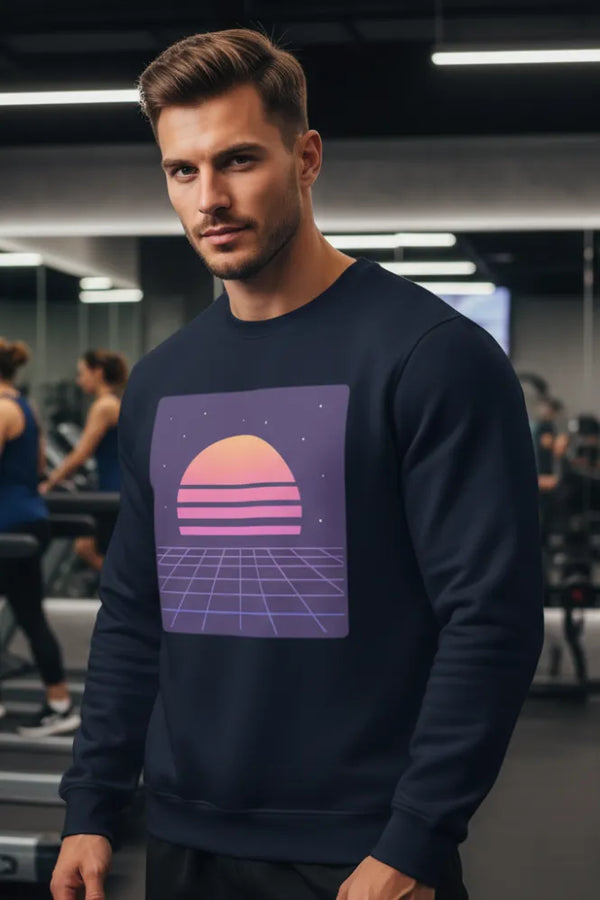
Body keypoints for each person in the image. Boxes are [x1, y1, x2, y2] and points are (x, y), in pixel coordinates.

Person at [51, 29, 544, 900]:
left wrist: (415, 840)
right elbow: (133, 613)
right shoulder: (163, 379)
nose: (210, 198)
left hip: (360, 850)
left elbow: (490, 619)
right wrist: (91, 804)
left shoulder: (430, 356)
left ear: (307, 157)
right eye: (182, 171)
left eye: (238, 160)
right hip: (184, 838)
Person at [0, 338, 80, 737]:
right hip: (28, 517)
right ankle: (59, 701)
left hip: (8, 525)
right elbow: (35, 467)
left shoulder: (1, 409)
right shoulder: (24, 406)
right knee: (30, 614)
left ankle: (60, 704)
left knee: (30, 614)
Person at [41, 350, 127, 571]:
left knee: (86, 547)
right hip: (111, 486)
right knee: (87, 546)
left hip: (113, 488)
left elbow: (81, 453)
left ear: (97, 372)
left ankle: (123, 587)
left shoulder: (104, 406)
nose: (79, 381)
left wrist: (49, 483)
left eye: (82, 374)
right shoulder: (111, 402)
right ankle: (119, 584)